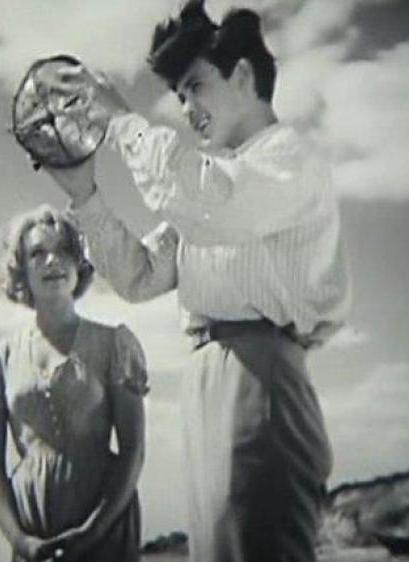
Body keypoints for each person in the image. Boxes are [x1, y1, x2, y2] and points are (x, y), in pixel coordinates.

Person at [43, 2, 351, 561]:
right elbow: (139, 276)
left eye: (195, 86)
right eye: (179, 95)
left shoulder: (286, 159)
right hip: (211, 381)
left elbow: (205, 200)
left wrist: (122, 123)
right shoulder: (222, 181)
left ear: (243, 75)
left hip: (260, 380)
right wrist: (84, 194)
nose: (186, 108)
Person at [0, 205, 148, 562]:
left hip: (102, 517)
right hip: (25, 521)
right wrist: (19, 540)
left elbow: (134, 449)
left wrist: (94, 531)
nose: (53, 261)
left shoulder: (114, 345)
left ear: (79, 263)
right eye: (38, 253)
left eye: (64, 250)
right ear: (20, 269)